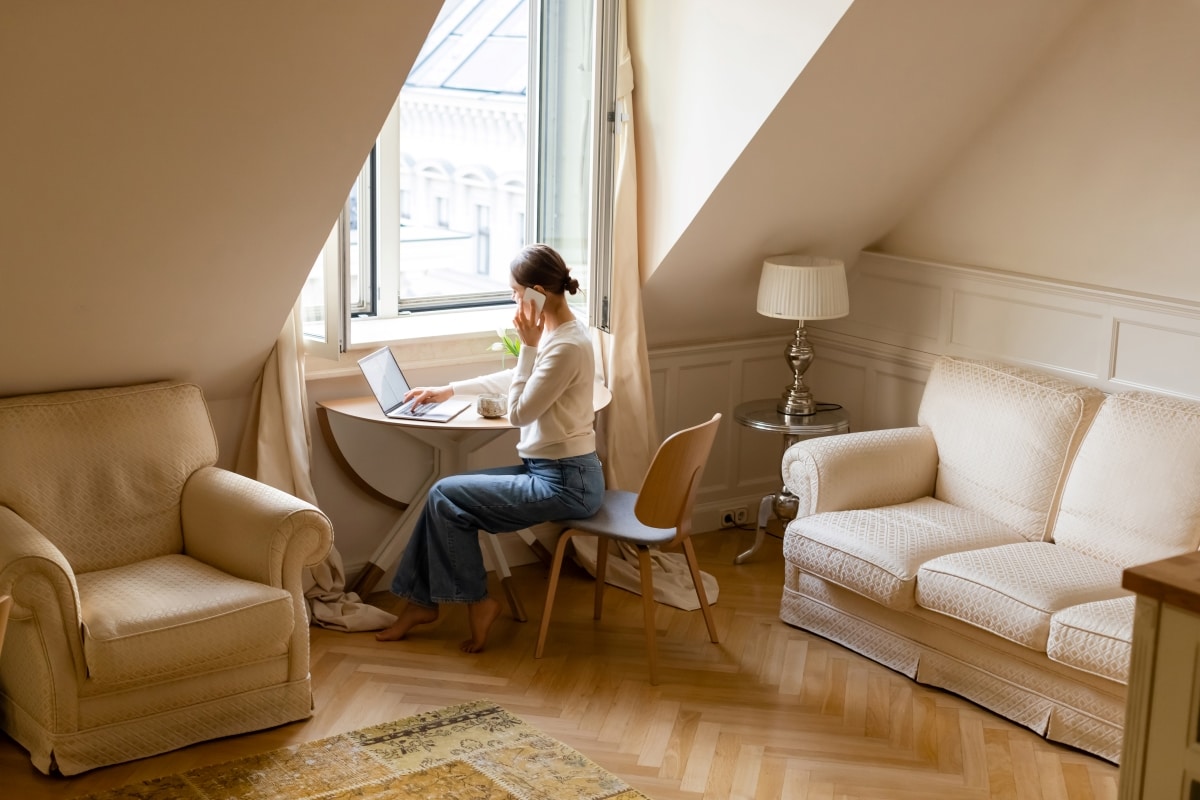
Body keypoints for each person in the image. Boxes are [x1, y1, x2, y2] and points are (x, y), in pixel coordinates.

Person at [375, 243, 605, 653]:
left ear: (537, 291)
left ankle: (471, 603)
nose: (515, 302)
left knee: (445, 494)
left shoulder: (565, 345)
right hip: (553, 472)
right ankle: (421, 605)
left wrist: (529, 345)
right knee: (444, 498)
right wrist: (448, 390)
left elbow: (518, 412)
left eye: (516, 293)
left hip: (567, 483)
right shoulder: (562, 333)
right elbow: (522, 381)